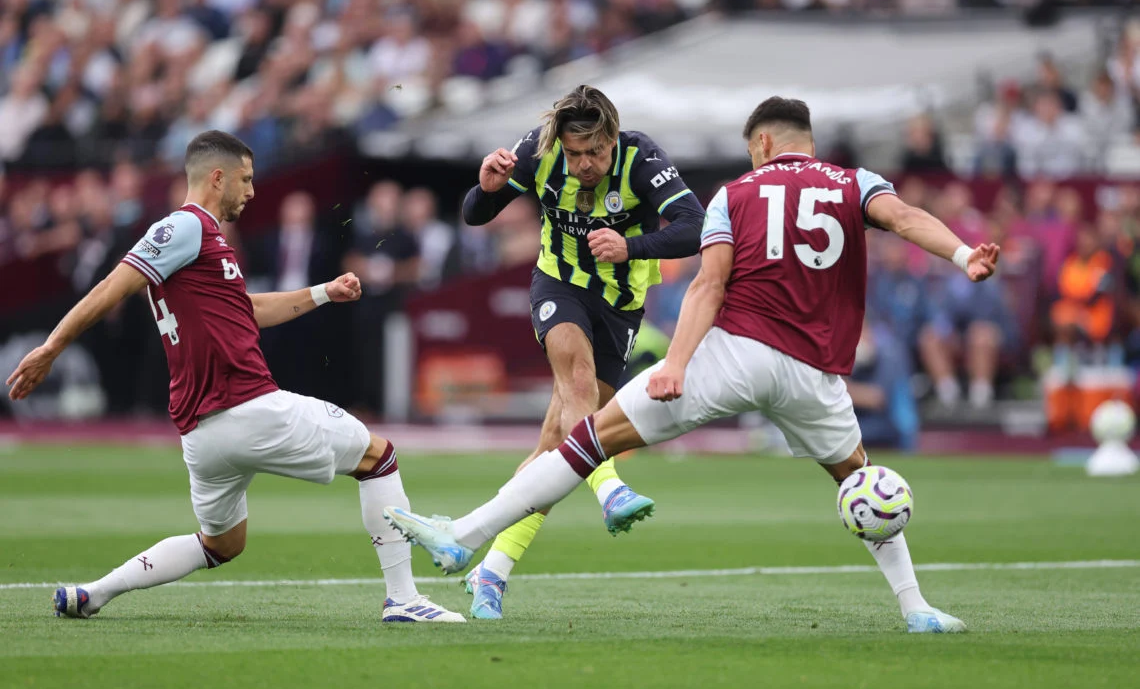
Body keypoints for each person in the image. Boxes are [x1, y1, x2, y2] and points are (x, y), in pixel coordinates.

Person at [387, 97, 1001, 633]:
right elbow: (906, 218)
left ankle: (464, 536)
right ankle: (916, 607)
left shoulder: (735, 194)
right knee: (858, 479)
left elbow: (709, 286)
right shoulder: (854, 182)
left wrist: (676, 362)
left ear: (762, 143)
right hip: (815, 374)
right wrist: (963, 252)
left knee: (587, 437)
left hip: (736, 354)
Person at [6, 131, 463, 623]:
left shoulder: (203, 242)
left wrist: (325, 292)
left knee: (222, 543)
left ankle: (92, 593)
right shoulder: (186, 227)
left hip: (202, 434)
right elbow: (113, 286)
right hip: (245, 406)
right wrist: (52, 347)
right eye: (245, 180)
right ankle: (404, 599)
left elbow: (245, 310)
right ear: (217, 177)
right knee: (379, 456)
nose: (250, 192)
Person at [459, 85, 705, 619]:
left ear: (613, 140)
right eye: (575, 154)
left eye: (595, 152)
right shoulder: (539, 149)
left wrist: (631, 246)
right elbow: (476, 214)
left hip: (619, 305)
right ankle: (610, 488)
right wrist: (484, 190)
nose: (584, 164)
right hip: (559, 285)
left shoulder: (641, 156)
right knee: (579, 386)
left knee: (556, 449)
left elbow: (696, 226)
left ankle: (487, 567)